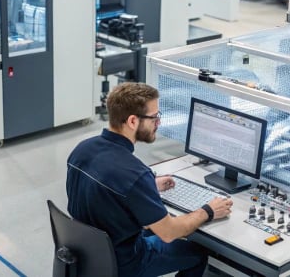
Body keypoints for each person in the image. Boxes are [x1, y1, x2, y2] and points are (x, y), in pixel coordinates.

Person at [66, 82, 233, 277]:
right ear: (132, 121)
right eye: (154, 117)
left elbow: (102, 189)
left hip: (89, 257)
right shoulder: (135, 174)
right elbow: (170, 233)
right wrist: (209, 210)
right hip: (125, 263)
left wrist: (147, 187)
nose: (158, 123)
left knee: (149, 229)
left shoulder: (81, 149)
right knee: (196, 253)